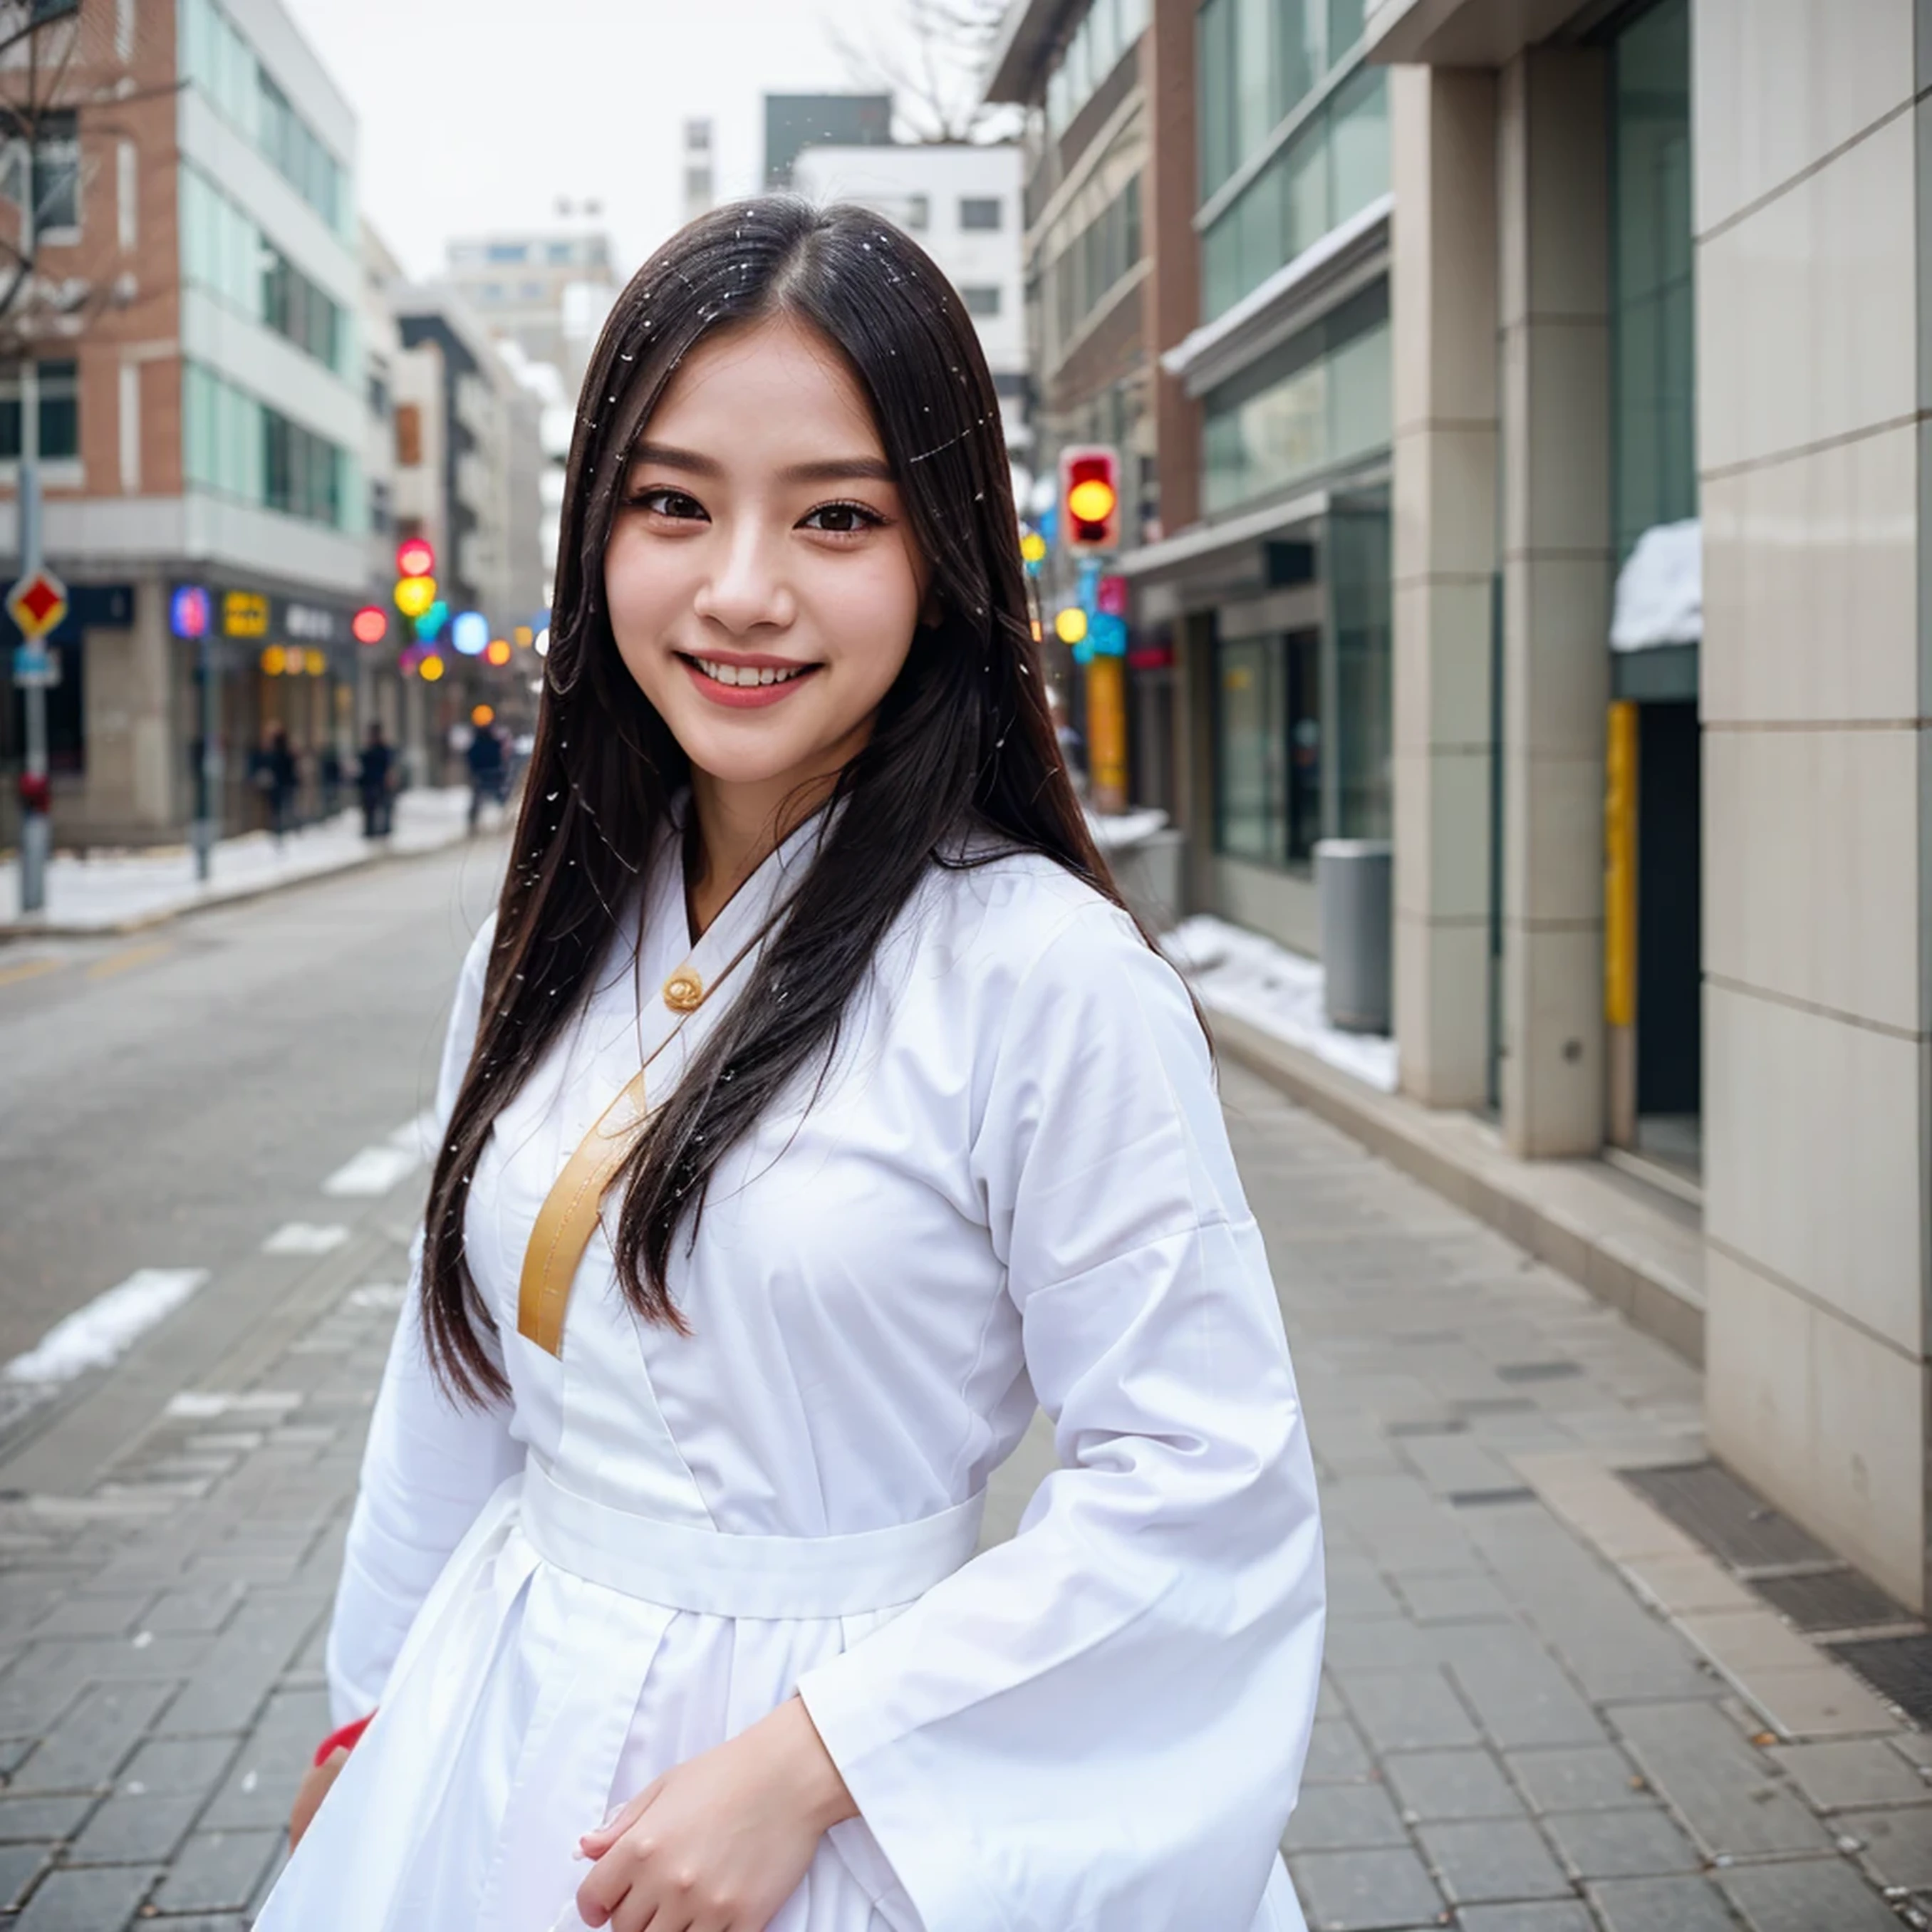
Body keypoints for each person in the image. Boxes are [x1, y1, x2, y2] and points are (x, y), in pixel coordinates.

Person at [259, 198, 1324, 1932]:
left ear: (944, 557)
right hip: (496, 1730)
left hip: (859, 1805)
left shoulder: (1043, 976)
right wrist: (366, 1708)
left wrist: (808, 1764)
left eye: (837, 516)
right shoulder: (543, 942)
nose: (739, 588)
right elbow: (450, 1383)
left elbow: (1200, 1474)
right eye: (673, 503)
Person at [465, 717, 507, 831]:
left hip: (494, 773)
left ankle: (507, 821)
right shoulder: (476, 740)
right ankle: (473, 826)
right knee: (477, 802)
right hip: (482, 774)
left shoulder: (495, 739)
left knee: (503, 799)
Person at [358, 724, 395, 840]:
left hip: (379, 784)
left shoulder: (382, 750)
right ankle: (371, 832)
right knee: (370, 809)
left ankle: (383, 831)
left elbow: (388, 766)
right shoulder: (368, 749)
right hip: (369, 784)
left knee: (383, 808)